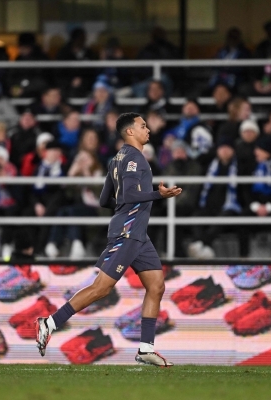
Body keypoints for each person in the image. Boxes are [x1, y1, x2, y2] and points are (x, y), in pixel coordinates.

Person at [35, 112, 182, 367]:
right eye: (143, 126)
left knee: (156, 285)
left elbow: (105, 200)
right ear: (129, 132)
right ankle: (49, 323)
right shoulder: (136, 159)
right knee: (101, 288)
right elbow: (128, 193)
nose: (148, 129)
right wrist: (159, 195)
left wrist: (125, 208)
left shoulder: (116, 159)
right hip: (128, 231)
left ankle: (146, 349)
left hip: (137, 233)